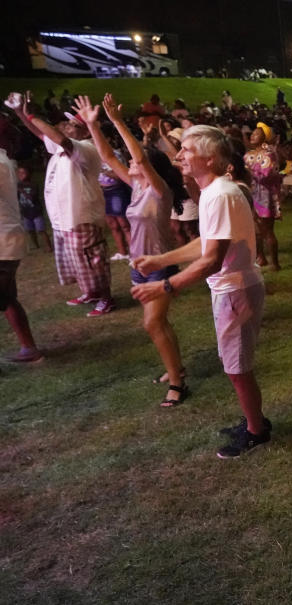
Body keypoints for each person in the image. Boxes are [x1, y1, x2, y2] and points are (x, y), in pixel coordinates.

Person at [131, 125, 272, 458]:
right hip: (230, 289)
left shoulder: (221, 194)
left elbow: (211, 259)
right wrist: (162, 259)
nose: (179, 155)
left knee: (237, 368)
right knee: (234, 365)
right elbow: (207, 243)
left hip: (236, 291)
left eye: (187, 150)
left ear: (209, 160)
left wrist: (166, 285)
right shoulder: (213, 192)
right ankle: (254, 421)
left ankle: (256, 431)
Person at [75, 94, 188, 407]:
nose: (130, 165)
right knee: (160, 323)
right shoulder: (136, 186)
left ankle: (178, 382)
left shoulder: (158, 190)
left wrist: (117, 121)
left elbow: (138, 158)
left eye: (137, 163)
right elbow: (109, 157)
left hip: (159, 264)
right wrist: (92, 125)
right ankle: (175, 368)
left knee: (152, 324)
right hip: (138, 263)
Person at [7, 91, 114, 317]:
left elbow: (60, 138)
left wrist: (32, 116)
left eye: (73, 124)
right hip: (63, 217)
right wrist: (20, 113)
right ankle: (90, 292)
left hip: (81, 216)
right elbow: (42, 135)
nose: (66, 125)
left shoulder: (86, 148)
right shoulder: (62, 147)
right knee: (77, 262)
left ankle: (105, 298)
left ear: (85, 130)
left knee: (92, 261)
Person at [0, 143, 42, 363]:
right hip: (6, 240)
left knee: (6, 298)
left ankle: (30, 348)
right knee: (7, 299)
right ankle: (28, 348)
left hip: (3, 242)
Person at [244, 123, 282, 270]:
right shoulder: (248, 155)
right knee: (254, 230)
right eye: (252, 133)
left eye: (256, 134)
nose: (252, 135)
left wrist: (249, 173)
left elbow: (267, 176)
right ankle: (261, 257)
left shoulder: (269, 154)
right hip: (250, 195)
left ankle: (275, 263)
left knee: (267, 231)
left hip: (264, 197)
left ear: (264, 137)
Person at [16, 166, 52, 252]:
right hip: (26, 212)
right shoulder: (18, 185)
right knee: (30, 231)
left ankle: (48, 246)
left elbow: (32, 197)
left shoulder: (33, 185)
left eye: (23, 173)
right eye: (19, 173)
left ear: (29, 174)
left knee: (41, 230)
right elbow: (17, 198)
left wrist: (21, 190)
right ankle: (36, 245)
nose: (20, 175)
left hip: (36, 212)